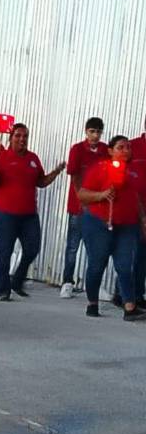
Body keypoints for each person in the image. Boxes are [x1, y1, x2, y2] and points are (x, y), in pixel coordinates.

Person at [0, 123, 65, 301]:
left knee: (32, 248)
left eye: (25, 136)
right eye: (18, 136)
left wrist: (57, 171)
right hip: (5, 213)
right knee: (5, 251)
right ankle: (2, 290)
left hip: (29, 214)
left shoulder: (33, 158)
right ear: (11, 137)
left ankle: (18, 279)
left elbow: (41, 182)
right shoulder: (1, 158)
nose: (22, 139)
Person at [78, 135, 146, 320]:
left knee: (125, 266)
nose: (126, 151)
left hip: (127, 226)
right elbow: (83, 194)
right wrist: (102, 195)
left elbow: (136, 199)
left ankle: (129, 307)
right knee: (97, 264)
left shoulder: (133, 172)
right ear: (110, 150)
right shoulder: (99, 169)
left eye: (128, 147)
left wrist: (142, 219)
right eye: (121, 147)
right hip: (100, 223)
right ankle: (92, 303)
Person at [60, 117, 108, 299]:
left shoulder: (105, 150)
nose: (95, 135)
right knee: (73, 245)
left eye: (98, 132)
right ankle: (67, 282)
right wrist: (82, 197)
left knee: (94, 248)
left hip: (98, 206)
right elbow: (74, 176)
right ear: (86, 131)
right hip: (79, 205)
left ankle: (93, 286)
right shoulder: (77, 149)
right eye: (92, 131)